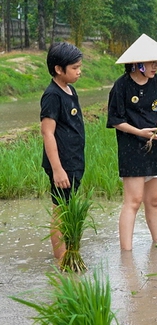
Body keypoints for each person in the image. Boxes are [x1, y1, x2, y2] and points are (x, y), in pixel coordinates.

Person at [107, 34, 157, 250]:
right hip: (132, 148)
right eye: (152, 62)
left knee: (154, 201)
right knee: (134, 201)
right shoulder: (122, 86)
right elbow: (115, 120)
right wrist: (139, 132)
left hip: (156, 147)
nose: (156, 66)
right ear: (137, 63)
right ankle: (126, 254)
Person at [40, 42, 84, 260]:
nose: (79, 71)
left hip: (74, 161)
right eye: (75, 68)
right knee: (60, 210)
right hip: (62, 165)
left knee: (70, 208)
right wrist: (57, 169)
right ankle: (62, 260)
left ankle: (70, 253)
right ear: (59, 69)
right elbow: (47, 133)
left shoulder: (70, 90)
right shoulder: (52, 95)